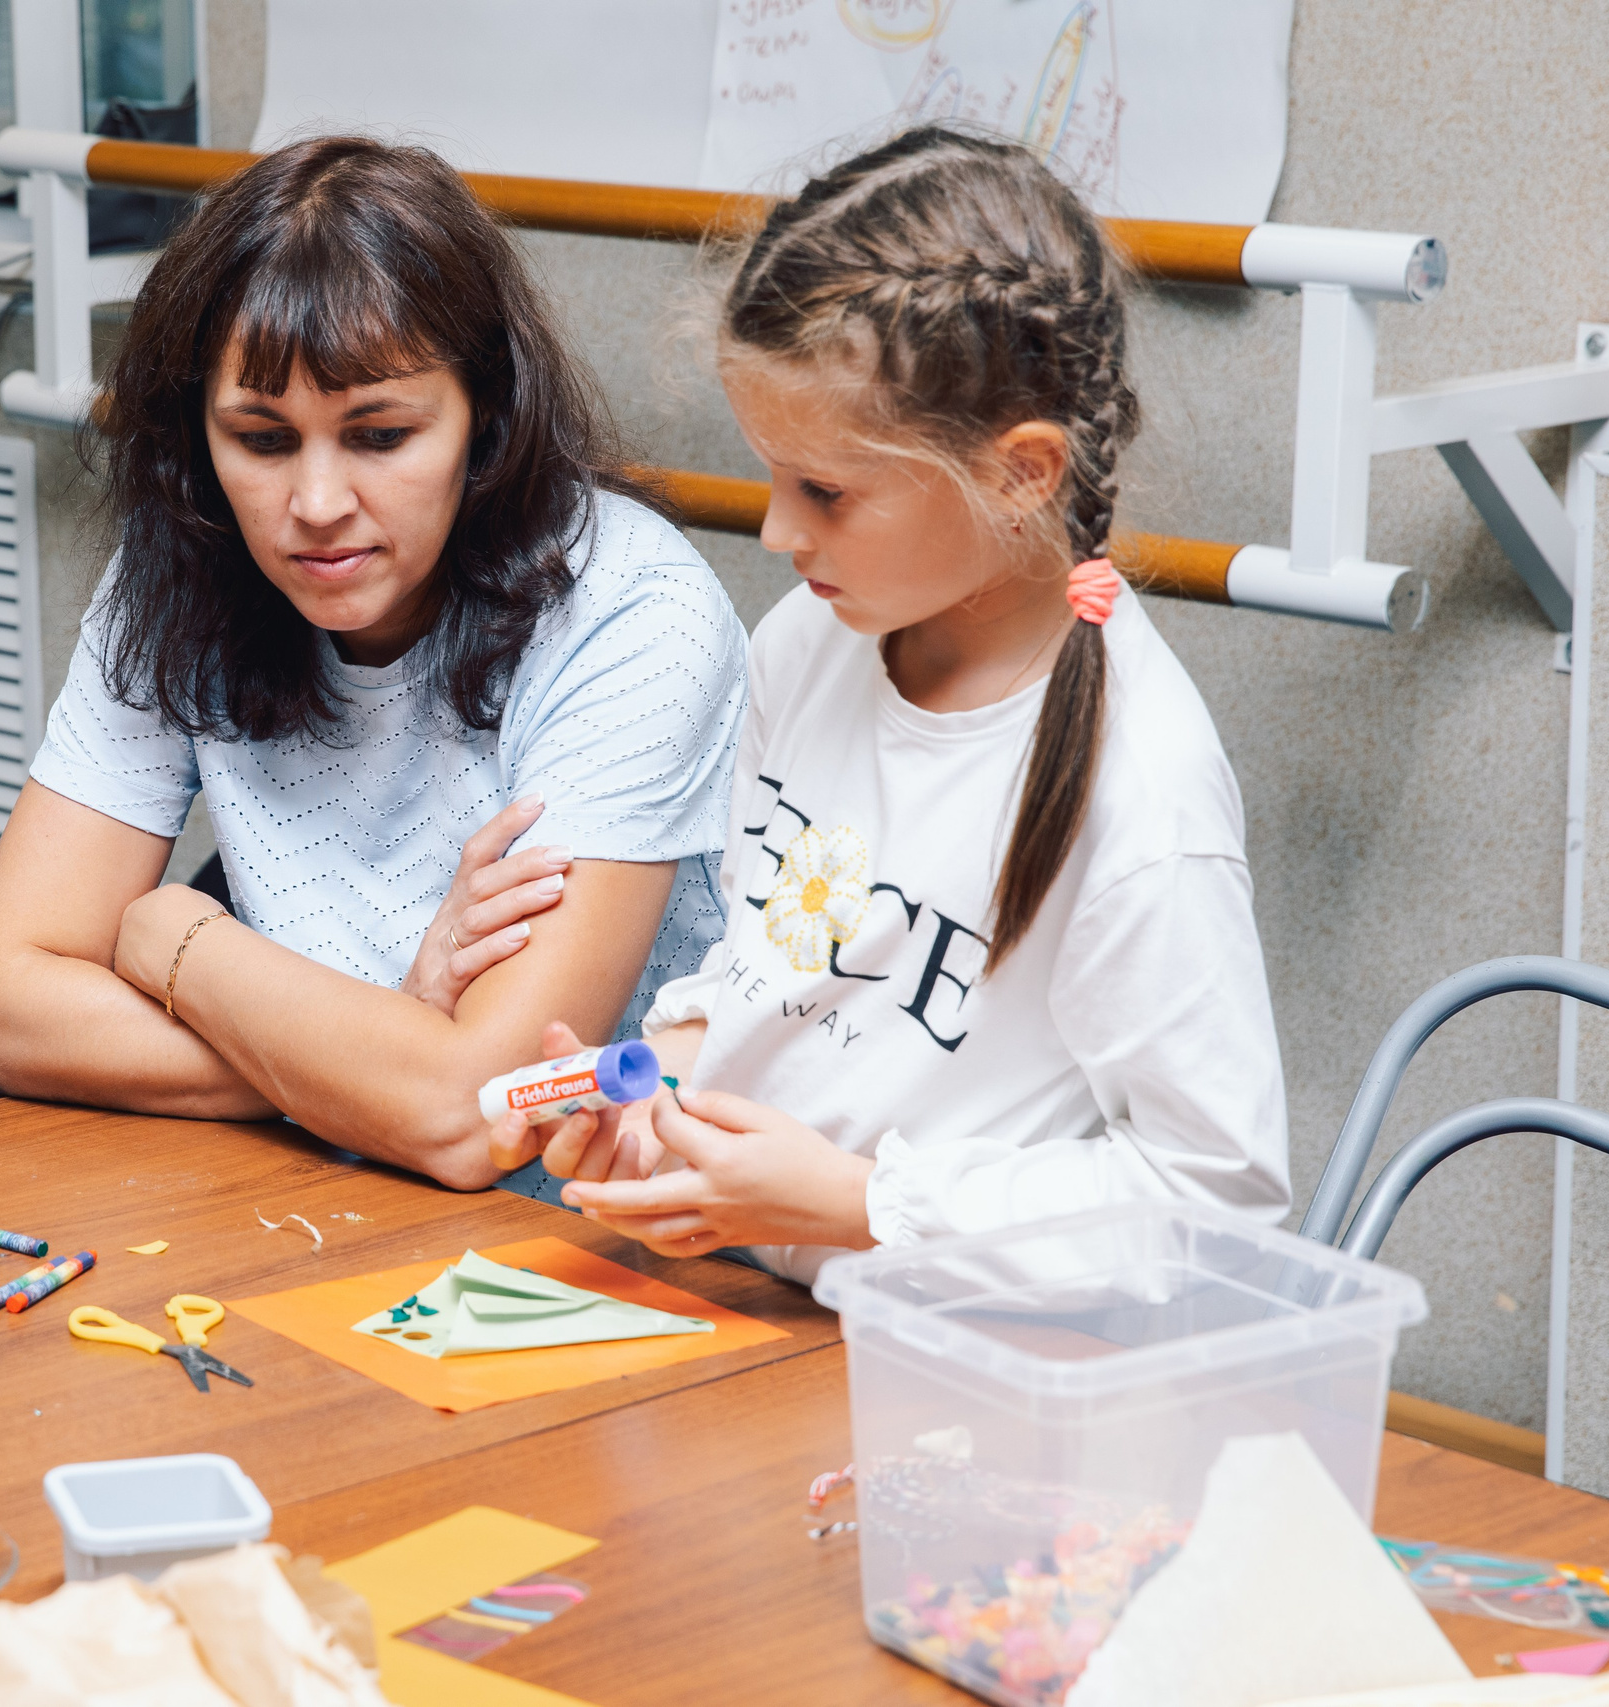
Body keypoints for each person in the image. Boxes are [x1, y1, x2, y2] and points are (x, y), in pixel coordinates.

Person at [490, 128, 1291, 1281]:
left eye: (823, 490)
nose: (777, 532)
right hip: (752, 1319)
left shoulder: (1143, 788)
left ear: (1020, 473)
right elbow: (781, 974)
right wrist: (659, 1091)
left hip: (963, 1384)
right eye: (773, 475)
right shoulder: (810, 636)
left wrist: (865, 1203)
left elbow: (1214, 1204)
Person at [0, 137, 746, 1189]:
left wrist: (174, 937)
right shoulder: (177, 567)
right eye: (263, 440)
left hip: (605, 1237)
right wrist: (385, 1040)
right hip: (333, 1182)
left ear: (486, 420)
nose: (318, 505)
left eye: (379, 436)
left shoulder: (630, 609)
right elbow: (4, 1011)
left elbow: (484, 1117)